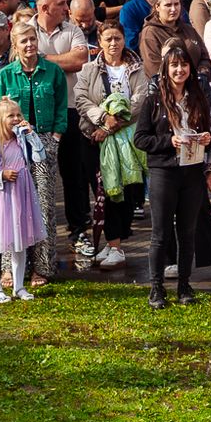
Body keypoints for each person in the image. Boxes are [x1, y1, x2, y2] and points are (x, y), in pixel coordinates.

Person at [130, 44, 211, 305]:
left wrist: (206, 139)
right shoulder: (154, 100)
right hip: (164, 171)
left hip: (192, 172)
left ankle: (184, 286)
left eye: (184, 64)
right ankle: (156, 287)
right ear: (166, 69)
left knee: (187, 232)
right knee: (161, 233)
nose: (180, 70)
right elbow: (140, 139)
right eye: (174, 65)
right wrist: (169, 141)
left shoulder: (198, 98)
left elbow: (208, 131)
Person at [0, 20, 71, 283]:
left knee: (44, 205)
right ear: (15, 45)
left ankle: (43, 266)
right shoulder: (5, 75)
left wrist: (55, 137)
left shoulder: (53, 72)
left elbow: (62, 107)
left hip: (43, 142)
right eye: (24, 41)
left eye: (33, 39)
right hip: (11, 145)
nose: (29, 45)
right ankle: (10, 266)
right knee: (12, 205)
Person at [74, 24, 146, 271]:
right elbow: (81, 98)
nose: (113, 43)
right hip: (94, 139)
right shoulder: (88, 69)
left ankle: (116, 244)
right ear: (100, 42)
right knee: (104, 191)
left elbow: (140, 100)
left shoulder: (137, 69)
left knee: (123, 191)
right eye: (108, 39)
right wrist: (103, 119)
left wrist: (113, 125)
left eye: (117, 38)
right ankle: (112, 242)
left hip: (127, 139)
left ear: (124, 40)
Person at [0, 96, 44, 303]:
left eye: (18, 115)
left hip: (21, 195)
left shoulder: (22, 140)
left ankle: (19, 286)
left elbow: (40, 157)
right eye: (11, 116)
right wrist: (1, 175)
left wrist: (31, 135)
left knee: (20, 242)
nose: (16, 119)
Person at [138, 0, 208, 81]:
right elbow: (154, 71)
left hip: (197, 85)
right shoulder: (150, 34)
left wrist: (202, 73)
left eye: (176, 4)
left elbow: (205, 57)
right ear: (157, 7)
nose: (173, 9)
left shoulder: (188, 29)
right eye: (168, 5)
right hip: (168, 88)